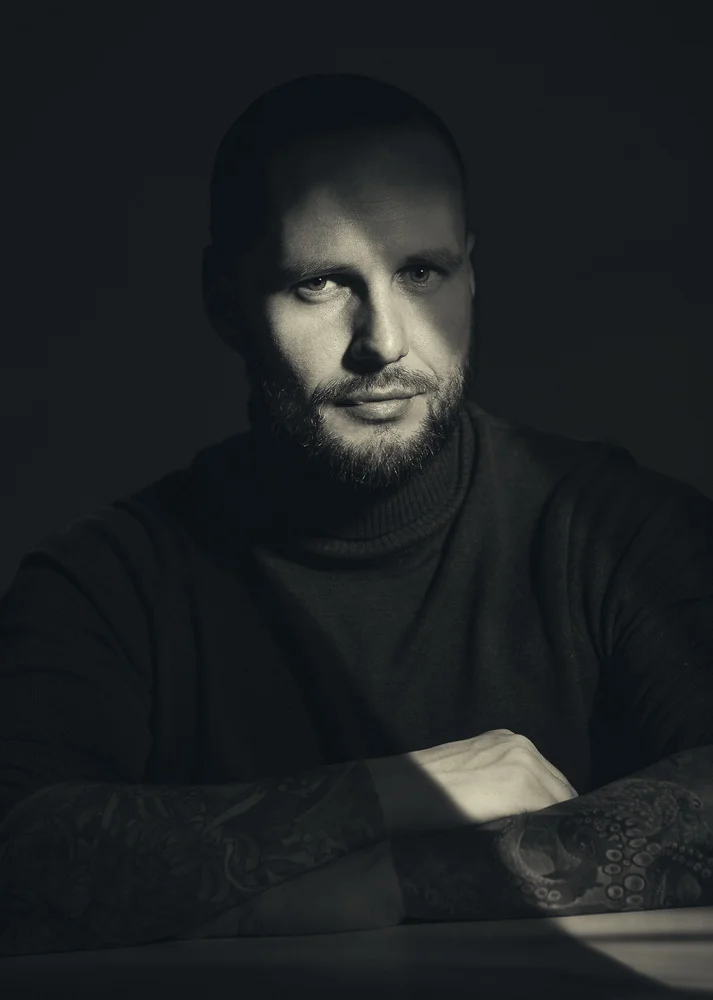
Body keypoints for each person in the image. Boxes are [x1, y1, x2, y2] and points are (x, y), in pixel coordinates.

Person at [1, 73, 712, 955]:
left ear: (471, 275)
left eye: (421, 272)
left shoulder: (611, 527)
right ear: (225, 301)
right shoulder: (106, 583)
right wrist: (396, 790)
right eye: (323, 283)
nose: (385, 340)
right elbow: (23, 847)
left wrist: (379, 885)